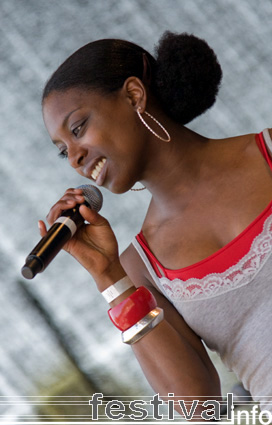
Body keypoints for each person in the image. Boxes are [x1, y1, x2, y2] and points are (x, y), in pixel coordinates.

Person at [39, 31, 272, 418]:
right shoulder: (140, 269)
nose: (75, 158)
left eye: (78, 128)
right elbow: (198, 404)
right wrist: (107, 274)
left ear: (133, 95)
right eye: (63, 150)